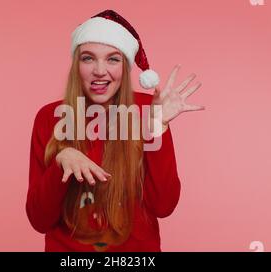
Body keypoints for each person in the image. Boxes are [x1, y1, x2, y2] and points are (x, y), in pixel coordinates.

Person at [26, 9, 205, 252]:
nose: (100, 70)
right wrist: (61, 162)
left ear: (126, 66)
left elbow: (163, 206)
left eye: (112, 59)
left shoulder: (147, 110)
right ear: (76, 64)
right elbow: (39, 220)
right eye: (88, 58)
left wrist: (157, 128)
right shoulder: (49, 117)